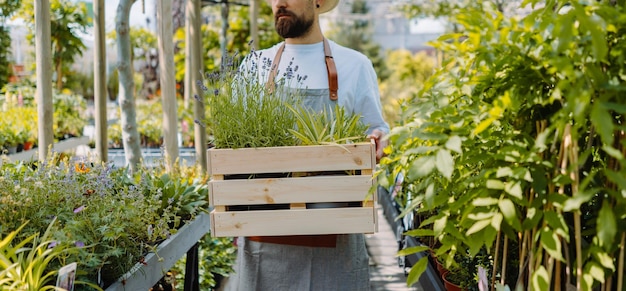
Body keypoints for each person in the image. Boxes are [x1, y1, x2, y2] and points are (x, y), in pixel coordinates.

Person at [224, 0, 389, 289]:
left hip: (336, 237)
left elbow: (377, 130)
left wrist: (377, 140)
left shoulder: (355, 65)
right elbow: (233, 150)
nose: (279, 2)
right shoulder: (254, 66)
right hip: (266, 244)